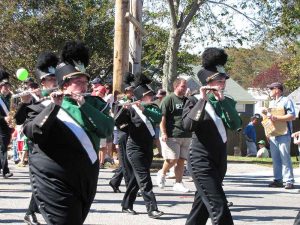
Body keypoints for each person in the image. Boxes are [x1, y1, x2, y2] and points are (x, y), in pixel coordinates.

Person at [22, 41, 114, 225]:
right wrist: (54, 107)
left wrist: (84, 105)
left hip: (86, 178)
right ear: (64, 85)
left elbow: (106, 129)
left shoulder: (95, 104)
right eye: (77, 81)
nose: (83, 85)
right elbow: (33, 131)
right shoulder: (43, 106)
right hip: (55, 179)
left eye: (85, 81)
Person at [182, 47, 242, 225]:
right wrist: (202, 100)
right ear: (207, 82)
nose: (223, 82)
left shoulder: (227, 101)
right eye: (219, 79)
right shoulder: (193, 101)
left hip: (220, 158)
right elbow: (188, 125)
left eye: (224, 79)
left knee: (200, 208)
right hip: (201, 159)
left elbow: (235, 124)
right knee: (219, 206)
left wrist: (223, 101)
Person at [115, 72, 164, 219]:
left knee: (138, 179)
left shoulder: (151, 107)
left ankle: (126, 204)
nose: (152, 97)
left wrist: (145, 109)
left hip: (148, 147)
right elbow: (118, 123)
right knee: (144, 178)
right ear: (141, 97)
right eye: (149, 95)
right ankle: (152, 209)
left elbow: (158, 117)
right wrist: (123, 110)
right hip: (134, 148)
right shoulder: (130, 109)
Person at [156, 78, 192, 193]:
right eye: (182, 86)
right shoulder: (168, 99)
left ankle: (178, 183)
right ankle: (162, 173)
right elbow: (162, 118)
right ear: (175, 86)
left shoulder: (188, 100)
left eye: (185, 86)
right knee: (173, 159)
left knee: (181, 160)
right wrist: (164, 132)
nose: (185, 88)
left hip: (186, 134)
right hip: (172, 134)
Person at [264, 82, 295, 189]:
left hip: (284, 134)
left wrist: (276, 118)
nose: (270, 91)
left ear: (277, 89)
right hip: (273, 134)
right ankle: (278, 180)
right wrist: (267, 133)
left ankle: (289, 181)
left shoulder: (286, 101)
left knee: (285, 157)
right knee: (275, 158)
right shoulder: (271, 103)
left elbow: (292, 116)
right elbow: (268, 119)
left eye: (271, 89)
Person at [0, 69, 13, 179]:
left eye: (8, 86)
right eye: (5, 86)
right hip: (1, 127)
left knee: (3, 148)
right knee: (3, 149)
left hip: (8, 127)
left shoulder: (10, 98)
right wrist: (4, 118)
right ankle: (5, 171)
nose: (7, 88)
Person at [153, 89, 166, 158]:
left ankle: (164, 153)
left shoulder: (168, 101)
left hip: (166, 124)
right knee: (157, 138)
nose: (159, 98)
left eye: (161, 96)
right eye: (158, 96)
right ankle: (160, 152)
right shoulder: (155, 103)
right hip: (157, 124)